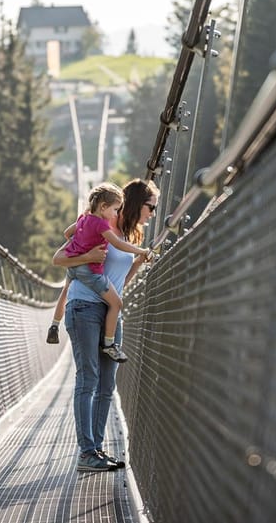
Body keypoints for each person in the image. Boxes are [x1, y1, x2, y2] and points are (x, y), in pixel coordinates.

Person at [51, 178, 159, 472]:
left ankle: (96, 451)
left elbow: (120, 283)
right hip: (84, 307)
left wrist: (139, 261)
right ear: (138, 204)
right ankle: (86, 453)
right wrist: (87, 256)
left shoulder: (126, 237)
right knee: (89, 378)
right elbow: (60, 258)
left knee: (107, 384)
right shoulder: (97, 224)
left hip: (112, 311)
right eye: (151, 207)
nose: (153, 213)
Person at [53, 182, 150, 363]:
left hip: (83, 277)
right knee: (117, 304)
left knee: (67, 288)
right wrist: (141, 251)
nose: (116, 213)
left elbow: (67, 233)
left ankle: (55, 324)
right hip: (92, 281)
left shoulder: (83, 220)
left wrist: (78, 244)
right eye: (115, 209)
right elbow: (117, 243)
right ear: (104, 207)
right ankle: (109, 344)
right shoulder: (101, 226)